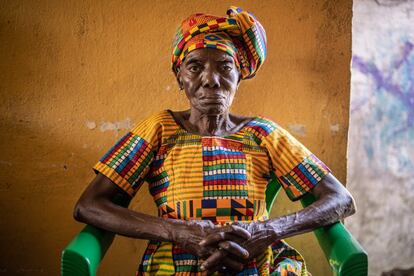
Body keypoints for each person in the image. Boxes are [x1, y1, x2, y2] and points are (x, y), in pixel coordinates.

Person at [74, 6, 356, 276]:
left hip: (256, 261)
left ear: (238, 77)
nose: (211, 79)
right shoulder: (159, 128)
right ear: (179, 77)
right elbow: (89, 205)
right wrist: (181, 232)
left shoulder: (263, 133)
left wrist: (267, 231)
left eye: (224, 67)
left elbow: (340, 199)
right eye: (195, 67)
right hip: (175, 262)